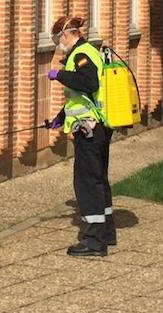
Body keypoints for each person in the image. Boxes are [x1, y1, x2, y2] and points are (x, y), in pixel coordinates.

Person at [45, 15, 115, 257]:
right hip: (99, 125)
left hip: (90, 129)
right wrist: (61, 117)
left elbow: (89, 82)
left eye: (58, 39)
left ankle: (94, 241)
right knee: (98, 179)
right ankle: (107, 232)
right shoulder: (89, 51)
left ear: (66, 34)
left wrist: (59, 75)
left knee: (87, 182)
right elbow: (81, 98)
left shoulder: (81, 54)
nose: (58, 44)